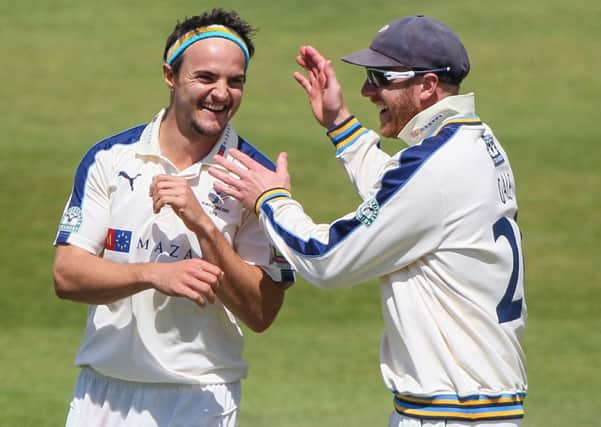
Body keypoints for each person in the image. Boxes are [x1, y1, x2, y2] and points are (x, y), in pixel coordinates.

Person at [209, 15, 527, 427]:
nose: (367, 90)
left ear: (427, 86)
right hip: (480, 408)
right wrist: (339, 123)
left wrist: (270, 200)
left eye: (381, 78)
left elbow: (327, 259)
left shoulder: (436, 168)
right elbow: (401, 195)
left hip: (450, 414)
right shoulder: (476, 142)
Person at [52, 8, 294, 427]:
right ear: (170, 76)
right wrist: (153, 274)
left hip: (198, 396)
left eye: (235, 81)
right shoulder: (109, 159)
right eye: (206, 78)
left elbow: (261, 312)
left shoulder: (254, 177)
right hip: (102, 393)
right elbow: (67, 275)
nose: (221, 93)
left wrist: (201, 224)